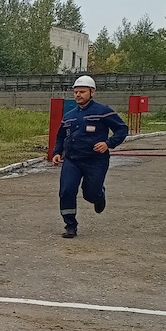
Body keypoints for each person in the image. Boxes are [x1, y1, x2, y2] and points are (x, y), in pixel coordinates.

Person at [51, 75, 128, 239]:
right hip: (72, 161)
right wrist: (57, 152)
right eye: (76, 92)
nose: (78, 95)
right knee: (66, 191)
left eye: (82, 92)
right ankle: (70, 225)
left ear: (92, 92)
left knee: (90, 194)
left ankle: (99, 195)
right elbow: (60, 136)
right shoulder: (70, 115)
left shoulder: (103, 111)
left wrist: (108, 143)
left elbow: (122, 129)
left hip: (95, 161)